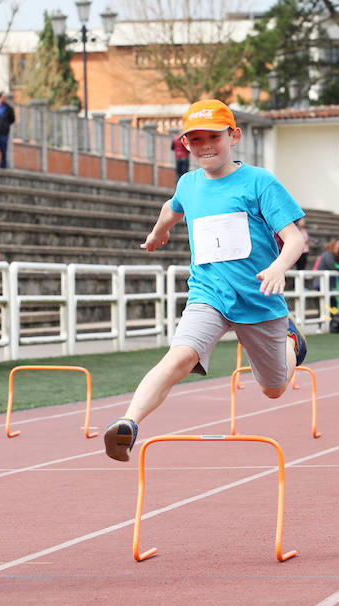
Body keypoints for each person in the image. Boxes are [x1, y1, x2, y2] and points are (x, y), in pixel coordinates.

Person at [103, 99, 308, 462]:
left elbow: (295, 238)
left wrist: (278, 267)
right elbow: (172, 207)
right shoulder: (189, 183)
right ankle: (127, 424)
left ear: (234, 136)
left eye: (213, 136)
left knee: (274, 389)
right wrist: (157, 233)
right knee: (181, 355)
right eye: (195, 140)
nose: (205, 146)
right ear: (185, 144)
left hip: (259, 297)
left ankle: (292, 343)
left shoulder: (259, 182)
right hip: (209, 293)